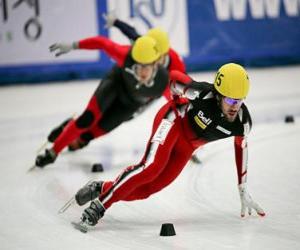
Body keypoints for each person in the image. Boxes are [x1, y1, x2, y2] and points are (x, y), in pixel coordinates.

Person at [74, 63, 266, 227]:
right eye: (230, 100)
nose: (234, 106)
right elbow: (173, 77)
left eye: (239, 101)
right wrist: (175, 101)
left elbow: (241, 147)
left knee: (148, 189)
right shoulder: (202, 93)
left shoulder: (242, 122)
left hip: (188, 146)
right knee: (150, 168)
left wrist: (242, 188)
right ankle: (99, 207)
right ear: (218, 94)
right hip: (173, 120)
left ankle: (101, 188)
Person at [35, 35, 169, 167]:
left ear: (156, 63)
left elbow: (178, 108)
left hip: (130, 104)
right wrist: (74, 45)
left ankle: (69, 126)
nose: (140, 73)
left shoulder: (163, 82)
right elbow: (102, 43)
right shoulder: (125, 56)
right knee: (87, 119)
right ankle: (52, 153)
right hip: (115, 84)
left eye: (145, 67)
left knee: (86, 137)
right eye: (137, 66)